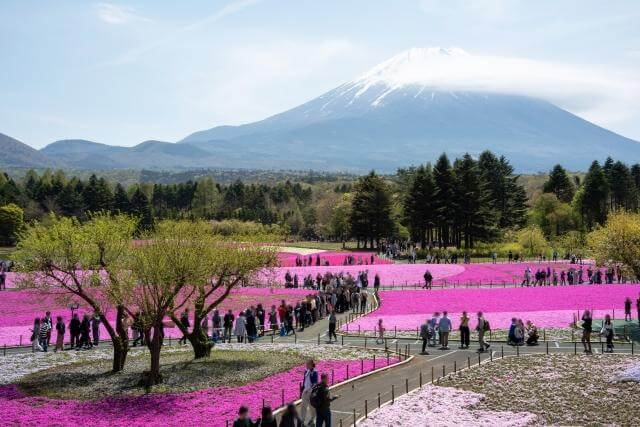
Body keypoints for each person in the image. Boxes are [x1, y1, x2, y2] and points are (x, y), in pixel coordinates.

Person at [300, 359, 318, 426]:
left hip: (311, 392)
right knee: (303, 406)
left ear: (311, 364)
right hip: (305, 391)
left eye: (307, 364)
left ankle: (312, 419)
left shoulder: (314, 372)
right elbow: (305, 380)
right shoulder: (306, 371)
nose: (306, 365)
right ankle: (302, 420)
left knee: (312, 407)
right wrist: (303, 387)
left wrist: (310, 390)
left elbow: (315, 383)